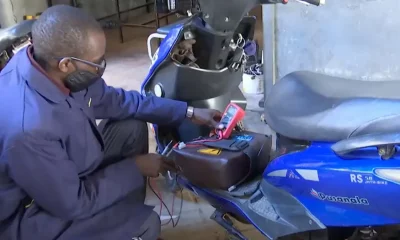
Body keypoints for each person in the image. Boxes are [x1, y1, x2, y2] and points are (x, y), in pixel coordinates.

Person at [0, 5, 222, 240]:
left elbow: (120, 101)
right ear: (66, 64)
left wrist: (188, 112)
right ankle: (127, 227)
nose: (101, 70)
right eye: (97, 63)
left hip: (63, 169)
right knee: (145, 224)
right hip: (29, 215)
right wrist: (135, 168)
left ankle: (119, 216)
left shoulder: (47, 65)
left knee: (131, 127)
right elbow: (72, 203)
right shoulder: (28, 129)